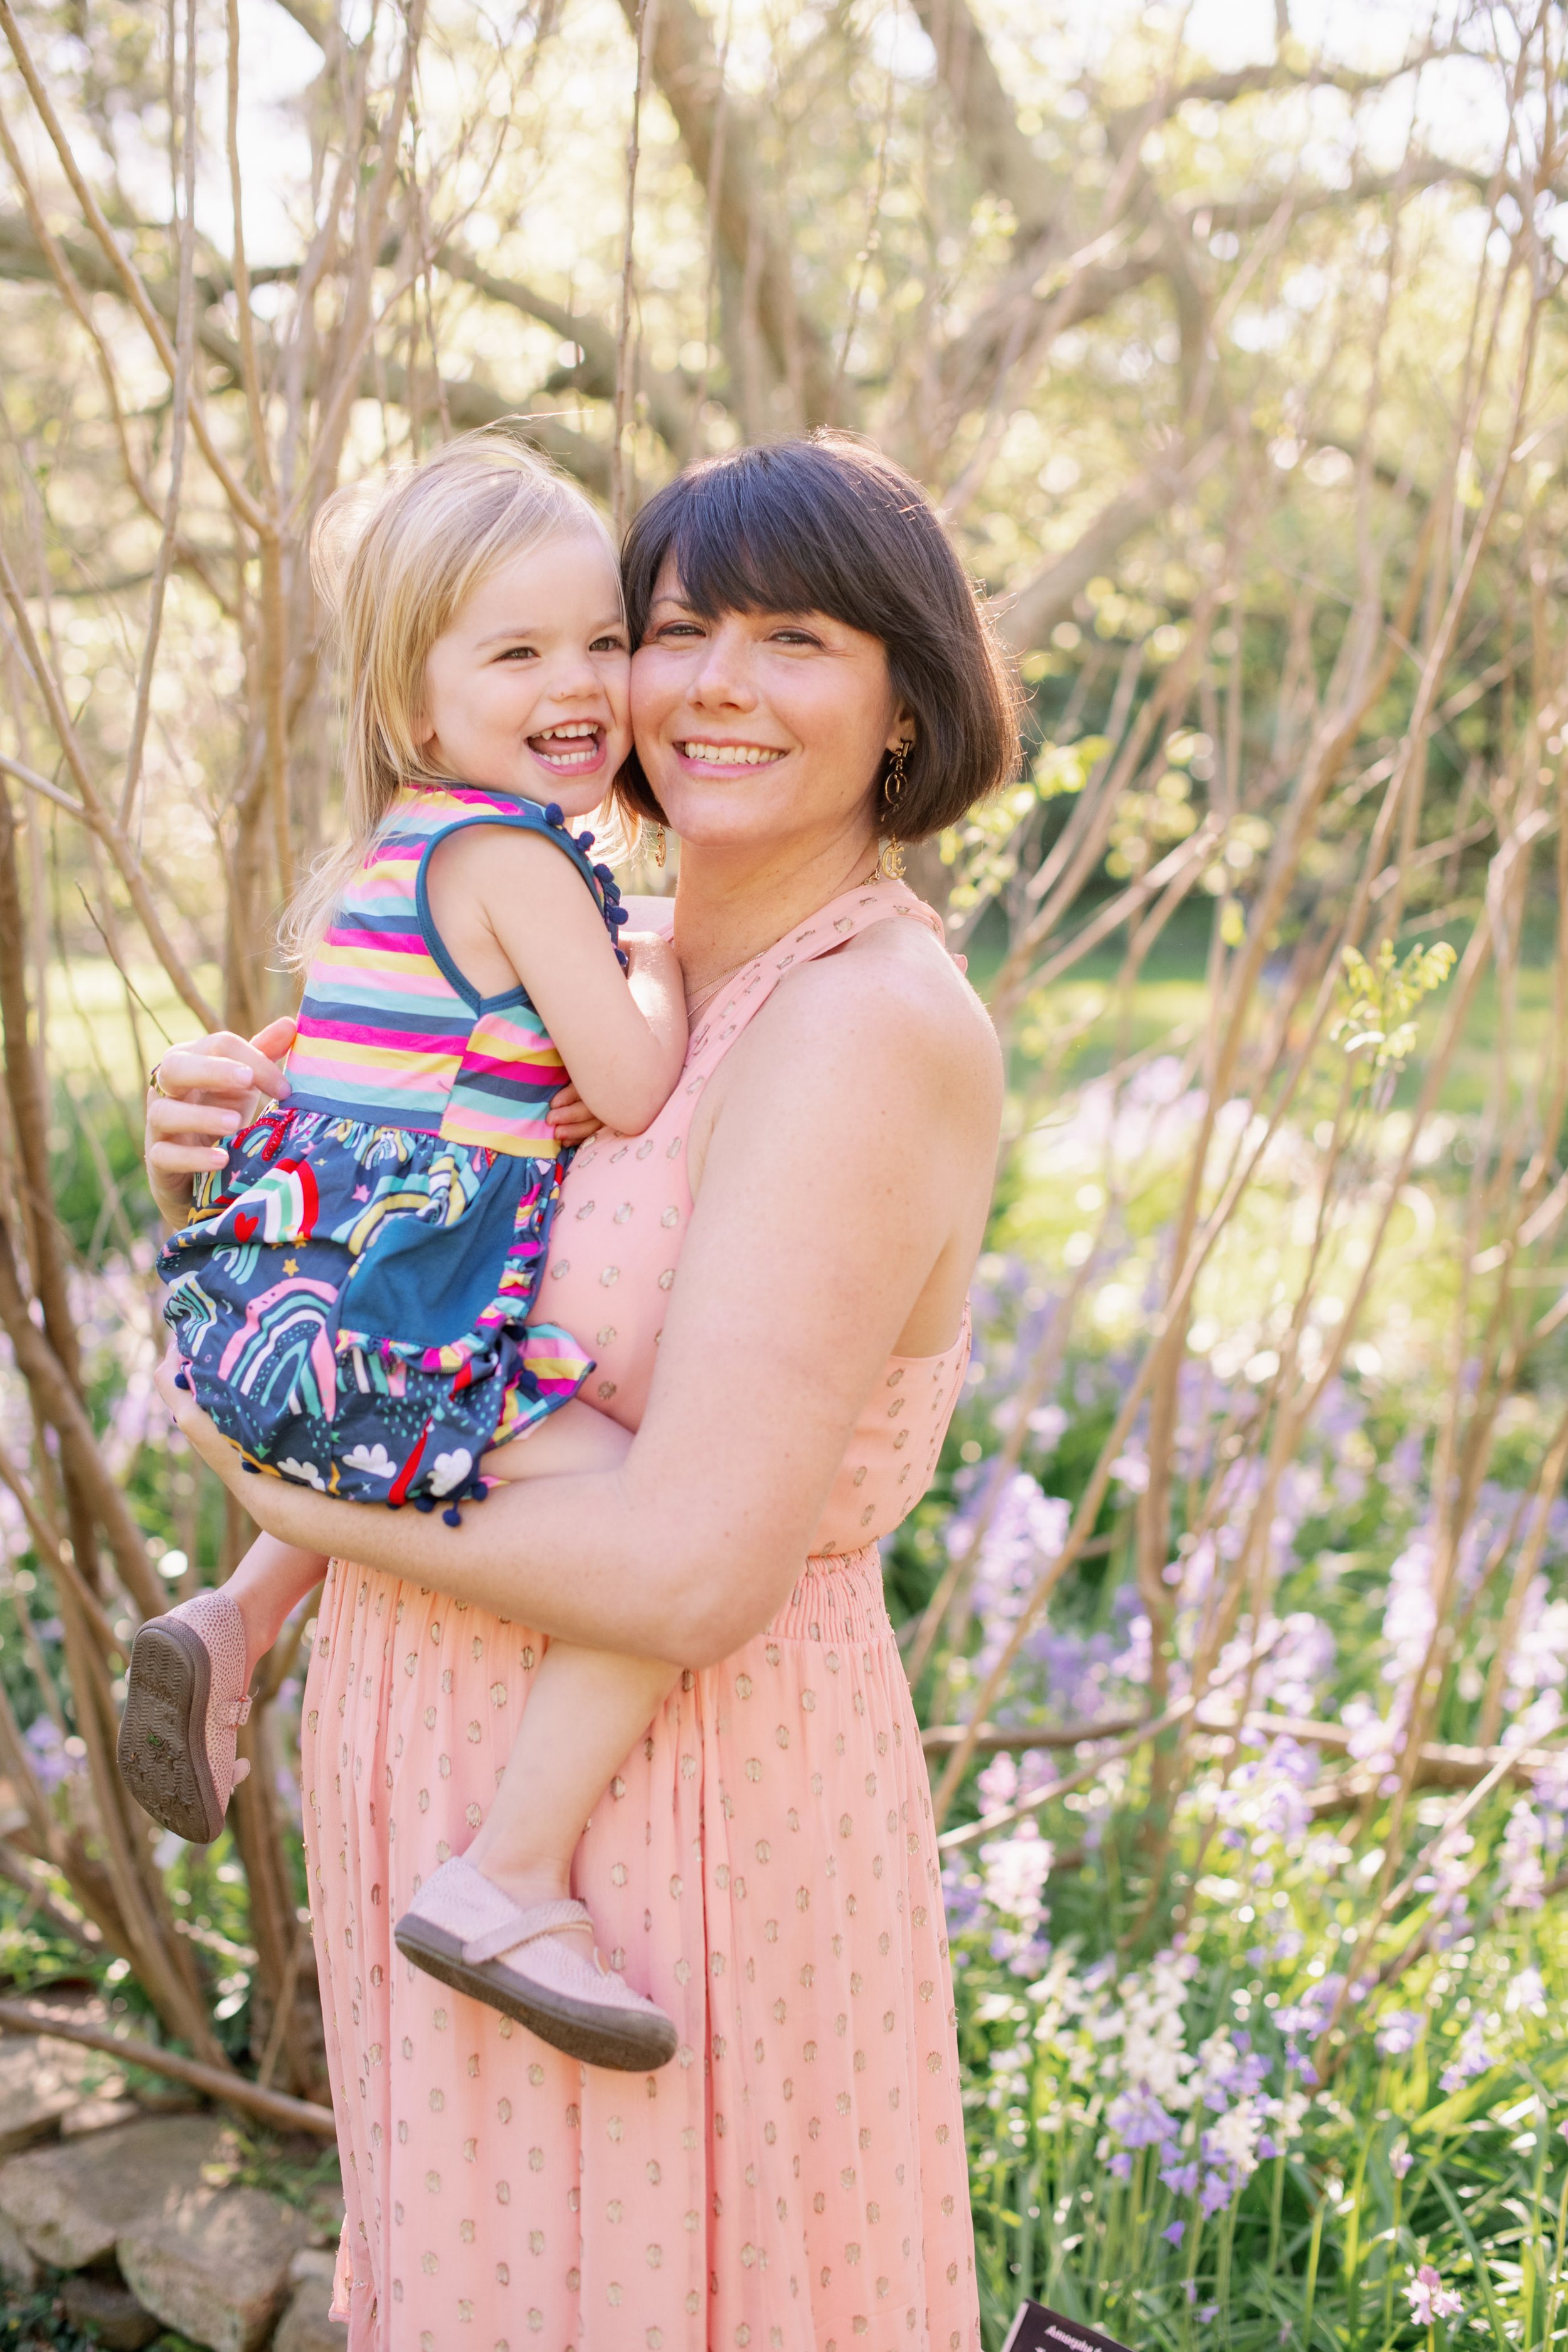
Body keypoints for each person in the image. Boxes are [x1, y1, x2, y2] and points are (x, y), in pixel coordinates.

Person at [148, 430, 1013, 2351]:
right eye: (679, 628)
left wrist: (279, 1493)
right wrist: (221, 1164)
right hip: (429, 1776)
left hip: (660, 1835)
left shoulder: (858, 1026)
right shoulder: (587, 951)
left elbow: (690, 1575)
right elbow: (412, 1241)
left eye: (794, 641)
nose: (706, 683)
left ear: (902, 707)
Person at [124, 433, 691, 2070]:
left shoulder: (394, 863)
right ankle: (512, 1877)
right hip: (401, 1317)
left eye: (600, 640)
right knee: (657, 1549)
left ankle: (234, 1620)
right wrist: (656, 965)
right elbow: (638, 1081)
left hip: (292, 1316)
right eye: (517, 652)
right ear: (415, 704)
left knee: (387, 1453)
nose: (577, 681)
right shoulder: (523, 867)